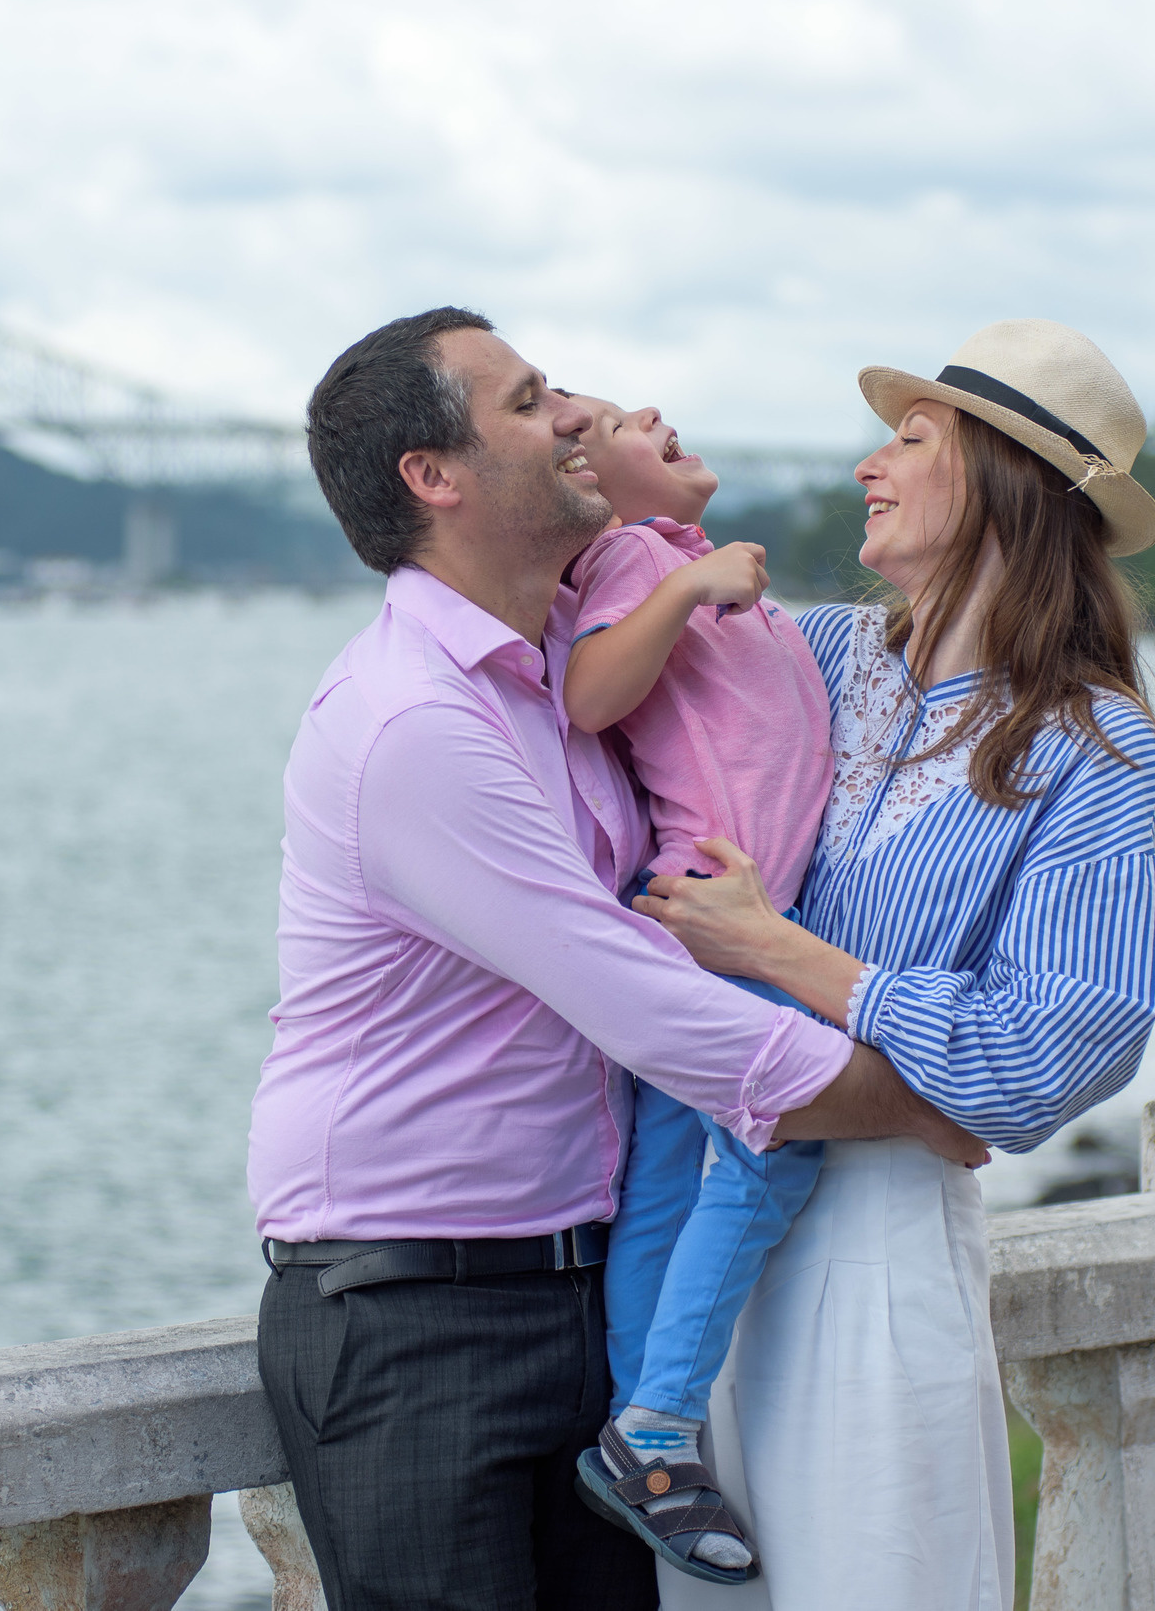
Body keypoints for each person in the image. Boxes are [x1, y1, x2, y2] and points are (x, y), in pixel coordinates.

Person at [248, 307, 989, 1611]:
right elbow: (632, 992)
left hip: (570, 1290)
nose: (572, 418)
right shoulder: (413, 721)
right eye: (530, 402)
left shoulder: (575, 672)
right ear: (434, 475)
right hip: (412, 1314)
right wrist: (911, 1097)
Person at [633, 320, 1155, 1610]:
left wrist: (780, 952)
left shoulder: (1093, 750)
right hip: (690, 1247)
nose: (866, 466)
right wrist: (909, 1090)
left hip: (870, 1254)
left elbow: (1045, 1050)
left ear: (1003, 479)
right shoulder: (816, 655)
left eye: (910, 438)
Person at [551, 395, 860, 1585]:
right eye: (610, 421)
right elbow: (589, 693)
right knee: (778, 1144)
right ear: (590, 484)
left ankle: (643, 1429)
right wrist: (685, 583)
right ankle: (660, 1422)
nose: (649, 410)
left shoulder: (688, 562)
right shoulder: (634, 557)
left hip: (717, 922)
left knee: (667, 1187)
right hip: (713, 919)